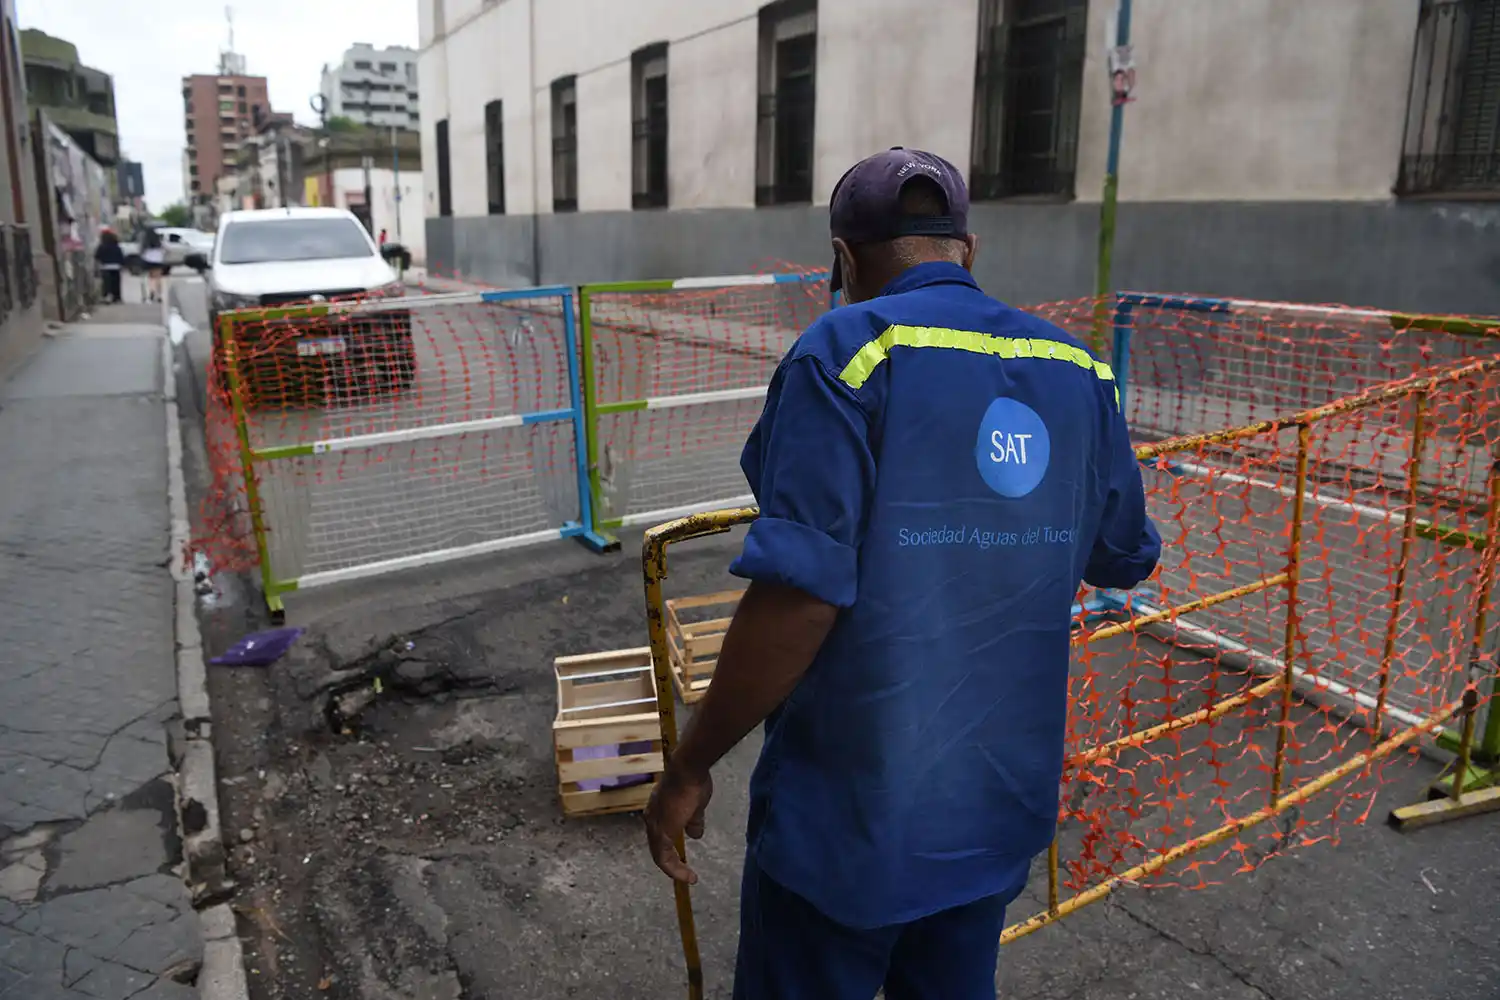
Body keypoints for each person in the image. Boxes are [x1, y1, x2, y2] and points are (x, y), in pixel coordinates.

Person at [644, 147, 1162, 1000]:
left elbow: (799, 598)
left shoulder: (845, 355)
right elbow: (1122, 553)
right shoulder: (1080, 370)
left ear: (844, 261)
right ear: (970, 249)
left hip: (849, 822)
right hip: (995, 804)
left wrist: (691, 764)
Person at [94, 227, 124, 304]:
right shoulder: (116, 246)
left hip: (105, 267)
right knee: (116, 283)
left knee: (107, 283)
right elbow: (120, 256)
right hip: (116, 267)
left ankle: (106, 296)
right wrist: (121, 264)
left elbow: (97, 256)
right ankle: (117, 297)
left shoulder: (102, 246)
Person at [141, 226, 166, 303]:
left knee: (151, 277)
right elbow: (165, 248)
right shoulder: (158, 241)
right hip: (158, 260)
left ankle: (152, 291)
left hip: (148, 260)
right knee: (158, 278)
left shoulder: (146, 241)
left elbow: (141, 250)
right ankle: (159, 295)